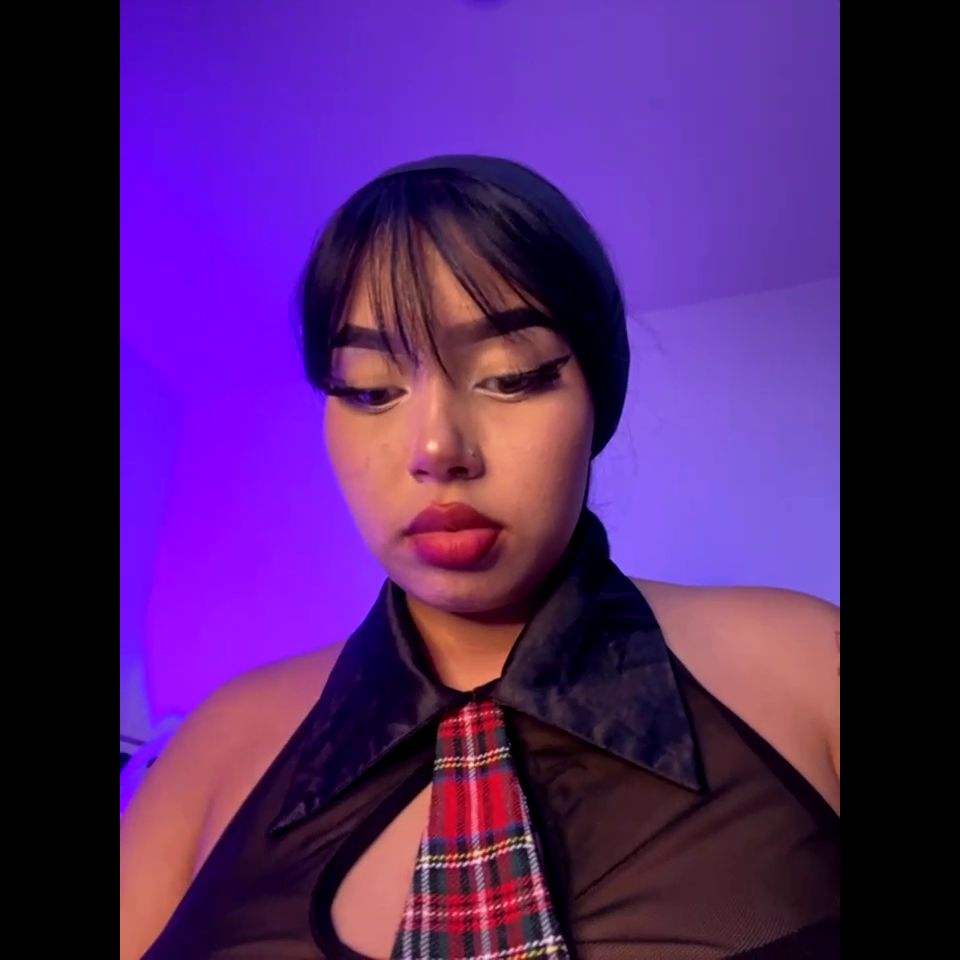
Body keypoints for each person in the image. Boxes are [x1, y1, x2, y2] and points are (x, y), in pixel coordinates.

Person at [120, 155, 840, 960]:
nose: (436, 448)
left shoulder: (812, 668)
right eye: (370, 389)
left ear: (597, 399)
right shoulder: (210, 752)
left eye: (512, 377)